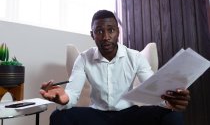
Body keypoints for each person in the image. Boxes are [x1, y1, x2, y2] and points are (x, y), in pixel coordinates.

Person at [40, 10, 190, 125]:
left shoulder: (136, 57)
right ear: (92, 35)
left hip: (130, 114)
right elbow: (72, 94)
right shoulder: (84, 58)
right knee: (58, 116)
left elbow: (154, 91)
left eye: (111, 30)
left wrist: (170, 101)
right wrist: (64, 99)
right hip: (97, 116)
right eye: (99, 31)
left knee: (173, 115)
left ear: (118, 32)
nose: (105, 36)